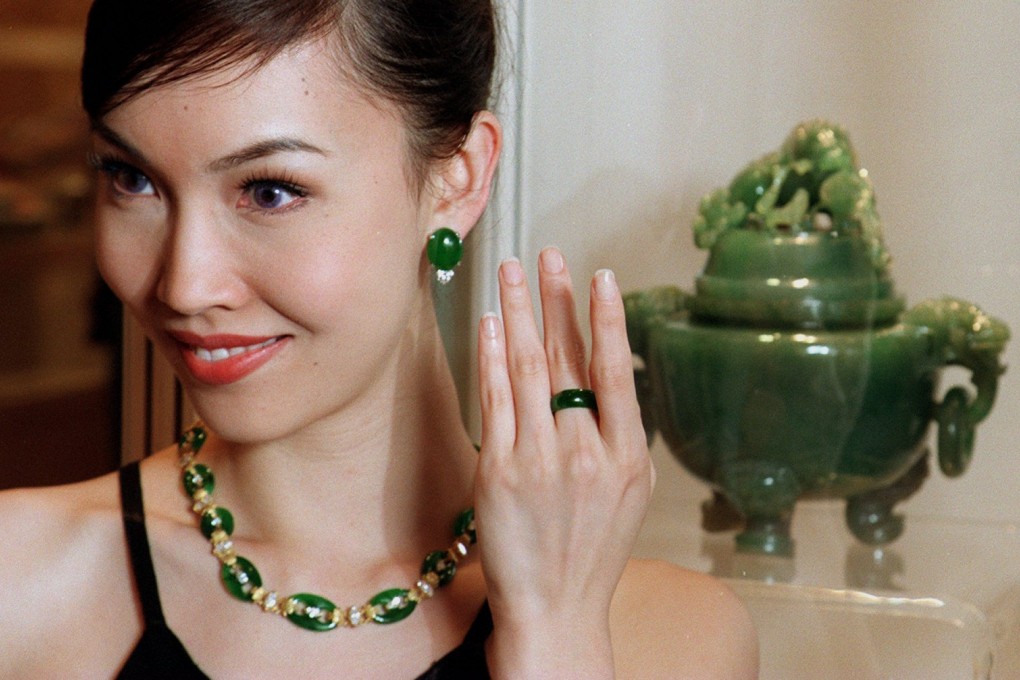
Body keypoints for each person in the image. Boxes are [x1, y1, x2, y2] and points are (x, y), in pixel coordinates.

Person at [0, 1, 758, 677]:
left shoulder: (673, 636)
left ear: (457, 179)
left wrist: (553, 638)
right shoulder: (22, 583)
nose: (184, 285)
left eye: (270, 191)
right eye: (131, 179)